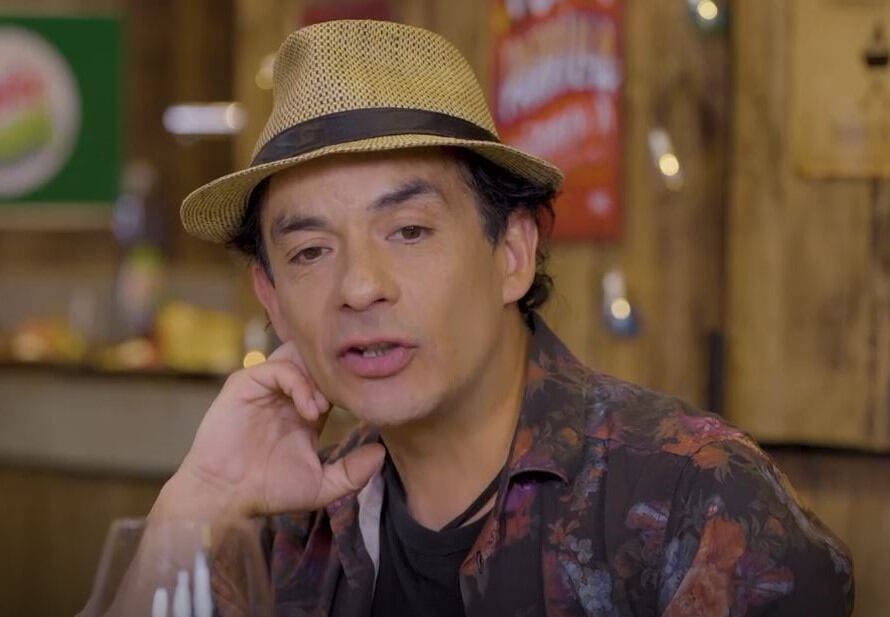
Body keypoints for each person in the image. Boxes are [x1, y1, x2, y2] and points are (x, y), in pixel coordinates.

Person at [154, 19, 853, 616]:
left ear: (512, 254)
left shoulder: (693, 495)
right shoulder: (297, 523)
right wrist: (196, 501)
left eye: (409, 231)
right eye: (310, 251)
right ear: (273, 299)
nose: (360, 287)